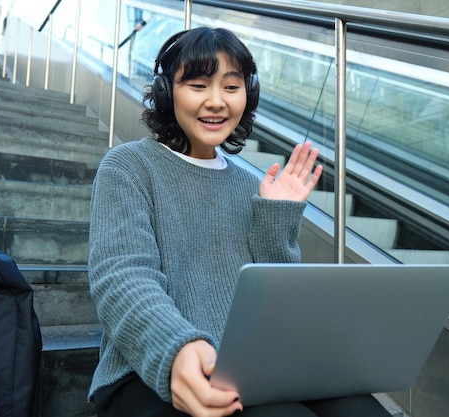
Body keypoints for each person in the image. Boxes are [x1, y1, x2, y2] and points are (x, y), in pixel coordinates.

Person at [88, 27, 389, 417]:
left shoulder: (251, 183)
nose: (216, 102)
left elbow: (275, 306)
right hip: (151, 367)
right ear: (166, 92)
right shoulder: (128, 166)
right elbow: (122, 277)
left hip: (252, 367)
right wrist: (179, 348)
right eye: (198, 85)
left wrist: (276, 217)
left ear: (249, 95)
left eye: (231, 88)